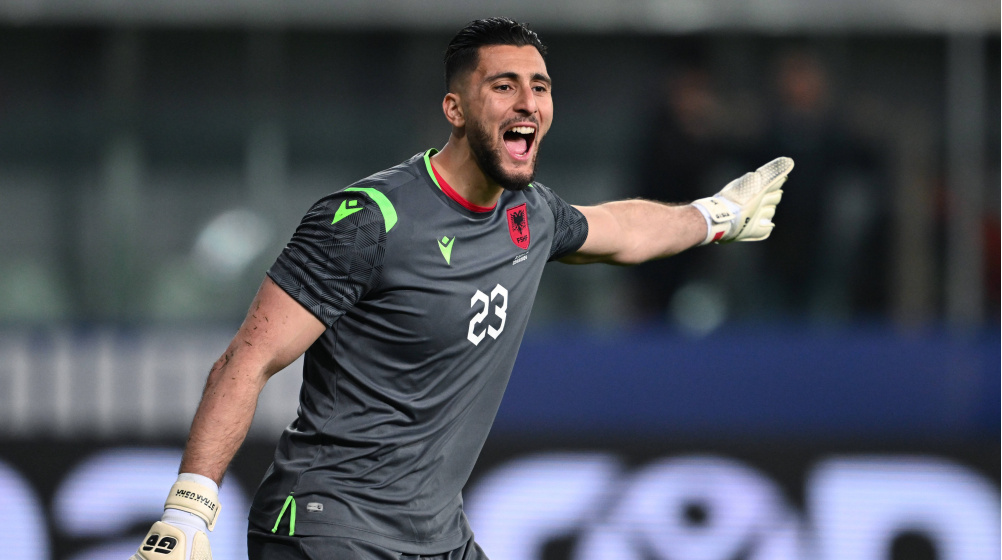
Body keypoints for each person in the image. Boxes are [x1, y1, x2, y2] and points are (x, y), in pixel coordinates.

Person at [131, 17, 793, 560]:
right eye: (504, 86)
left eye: (540, 87)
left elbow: (621, 229)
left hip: (436, 536)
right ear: (454, 108)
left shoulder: (530, 215)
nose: (528, 102)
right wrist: (189, 508)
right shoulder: (369, 220)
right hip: (330, 527)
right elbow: (247, 358)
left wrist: (715, 216)